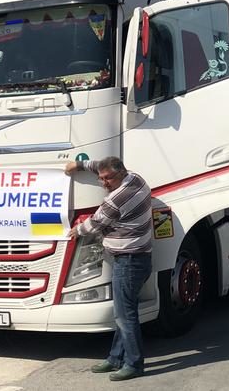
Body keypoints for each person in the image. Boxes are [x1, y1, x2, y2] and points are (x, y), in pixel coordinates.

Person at [65, 156, 152, 382]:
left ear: (121, 173)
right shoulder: (136, 179)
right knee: (124, 311)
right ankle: (115, 358)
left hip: (129, 261)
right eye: (101, 178)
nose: (103, 183)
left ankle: (134, 364)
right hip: (137, 259)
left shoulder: (116, 199)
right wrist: (81, 164)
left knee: (125, 315)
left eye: (107, 179)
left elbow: (95, 224)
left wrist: (75, 230)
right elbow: (99, 166)